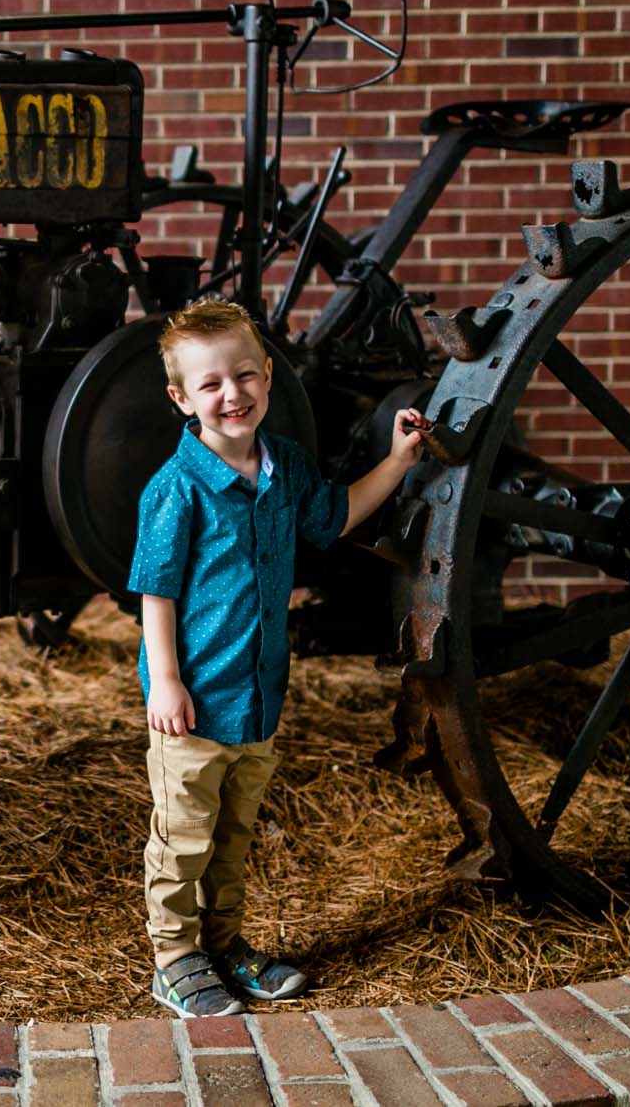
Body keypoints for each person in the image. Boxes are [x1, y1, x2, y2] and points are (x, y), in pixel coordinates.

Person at [127, 297, 426, 1018]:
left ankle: (224, 943)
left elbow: (338, 513)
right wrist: (164, 681)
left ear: (267, 375)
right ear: (181, 399)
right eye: (210, 384)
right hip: (194, 706)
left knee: (233, 835)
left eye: (245, 375)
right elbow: (156, 593)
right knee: (183, 837)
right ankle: (174, 958)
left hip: (258, 697)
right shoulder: (176, 489)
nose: (232, 394)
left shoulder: (284, 465)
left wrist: (398, 459)